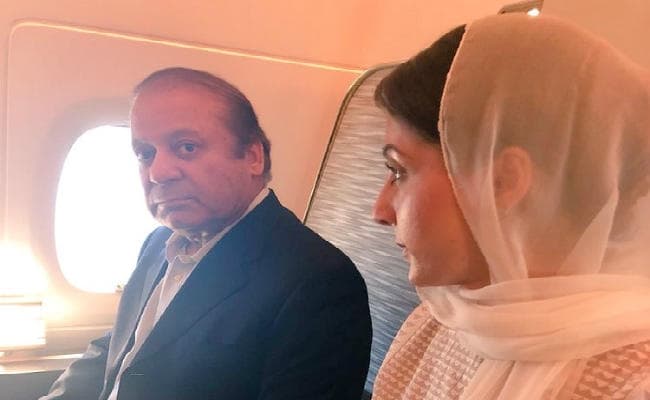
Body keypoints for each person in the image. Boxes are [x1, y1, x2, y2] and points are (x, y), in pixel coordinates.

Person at [41, 67, 372, 400]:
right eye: (145, 154)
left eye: (186, 147)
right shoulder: (158, 244)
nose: (158, 172)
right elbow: (122, 348)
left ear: (253, 157)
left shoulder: (318, 282)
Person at [371, 14, 650, 400]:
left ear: (502, 182)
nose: (380, 210)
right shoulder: (438, 322)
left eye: (398, 171)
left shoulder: (633, 380)